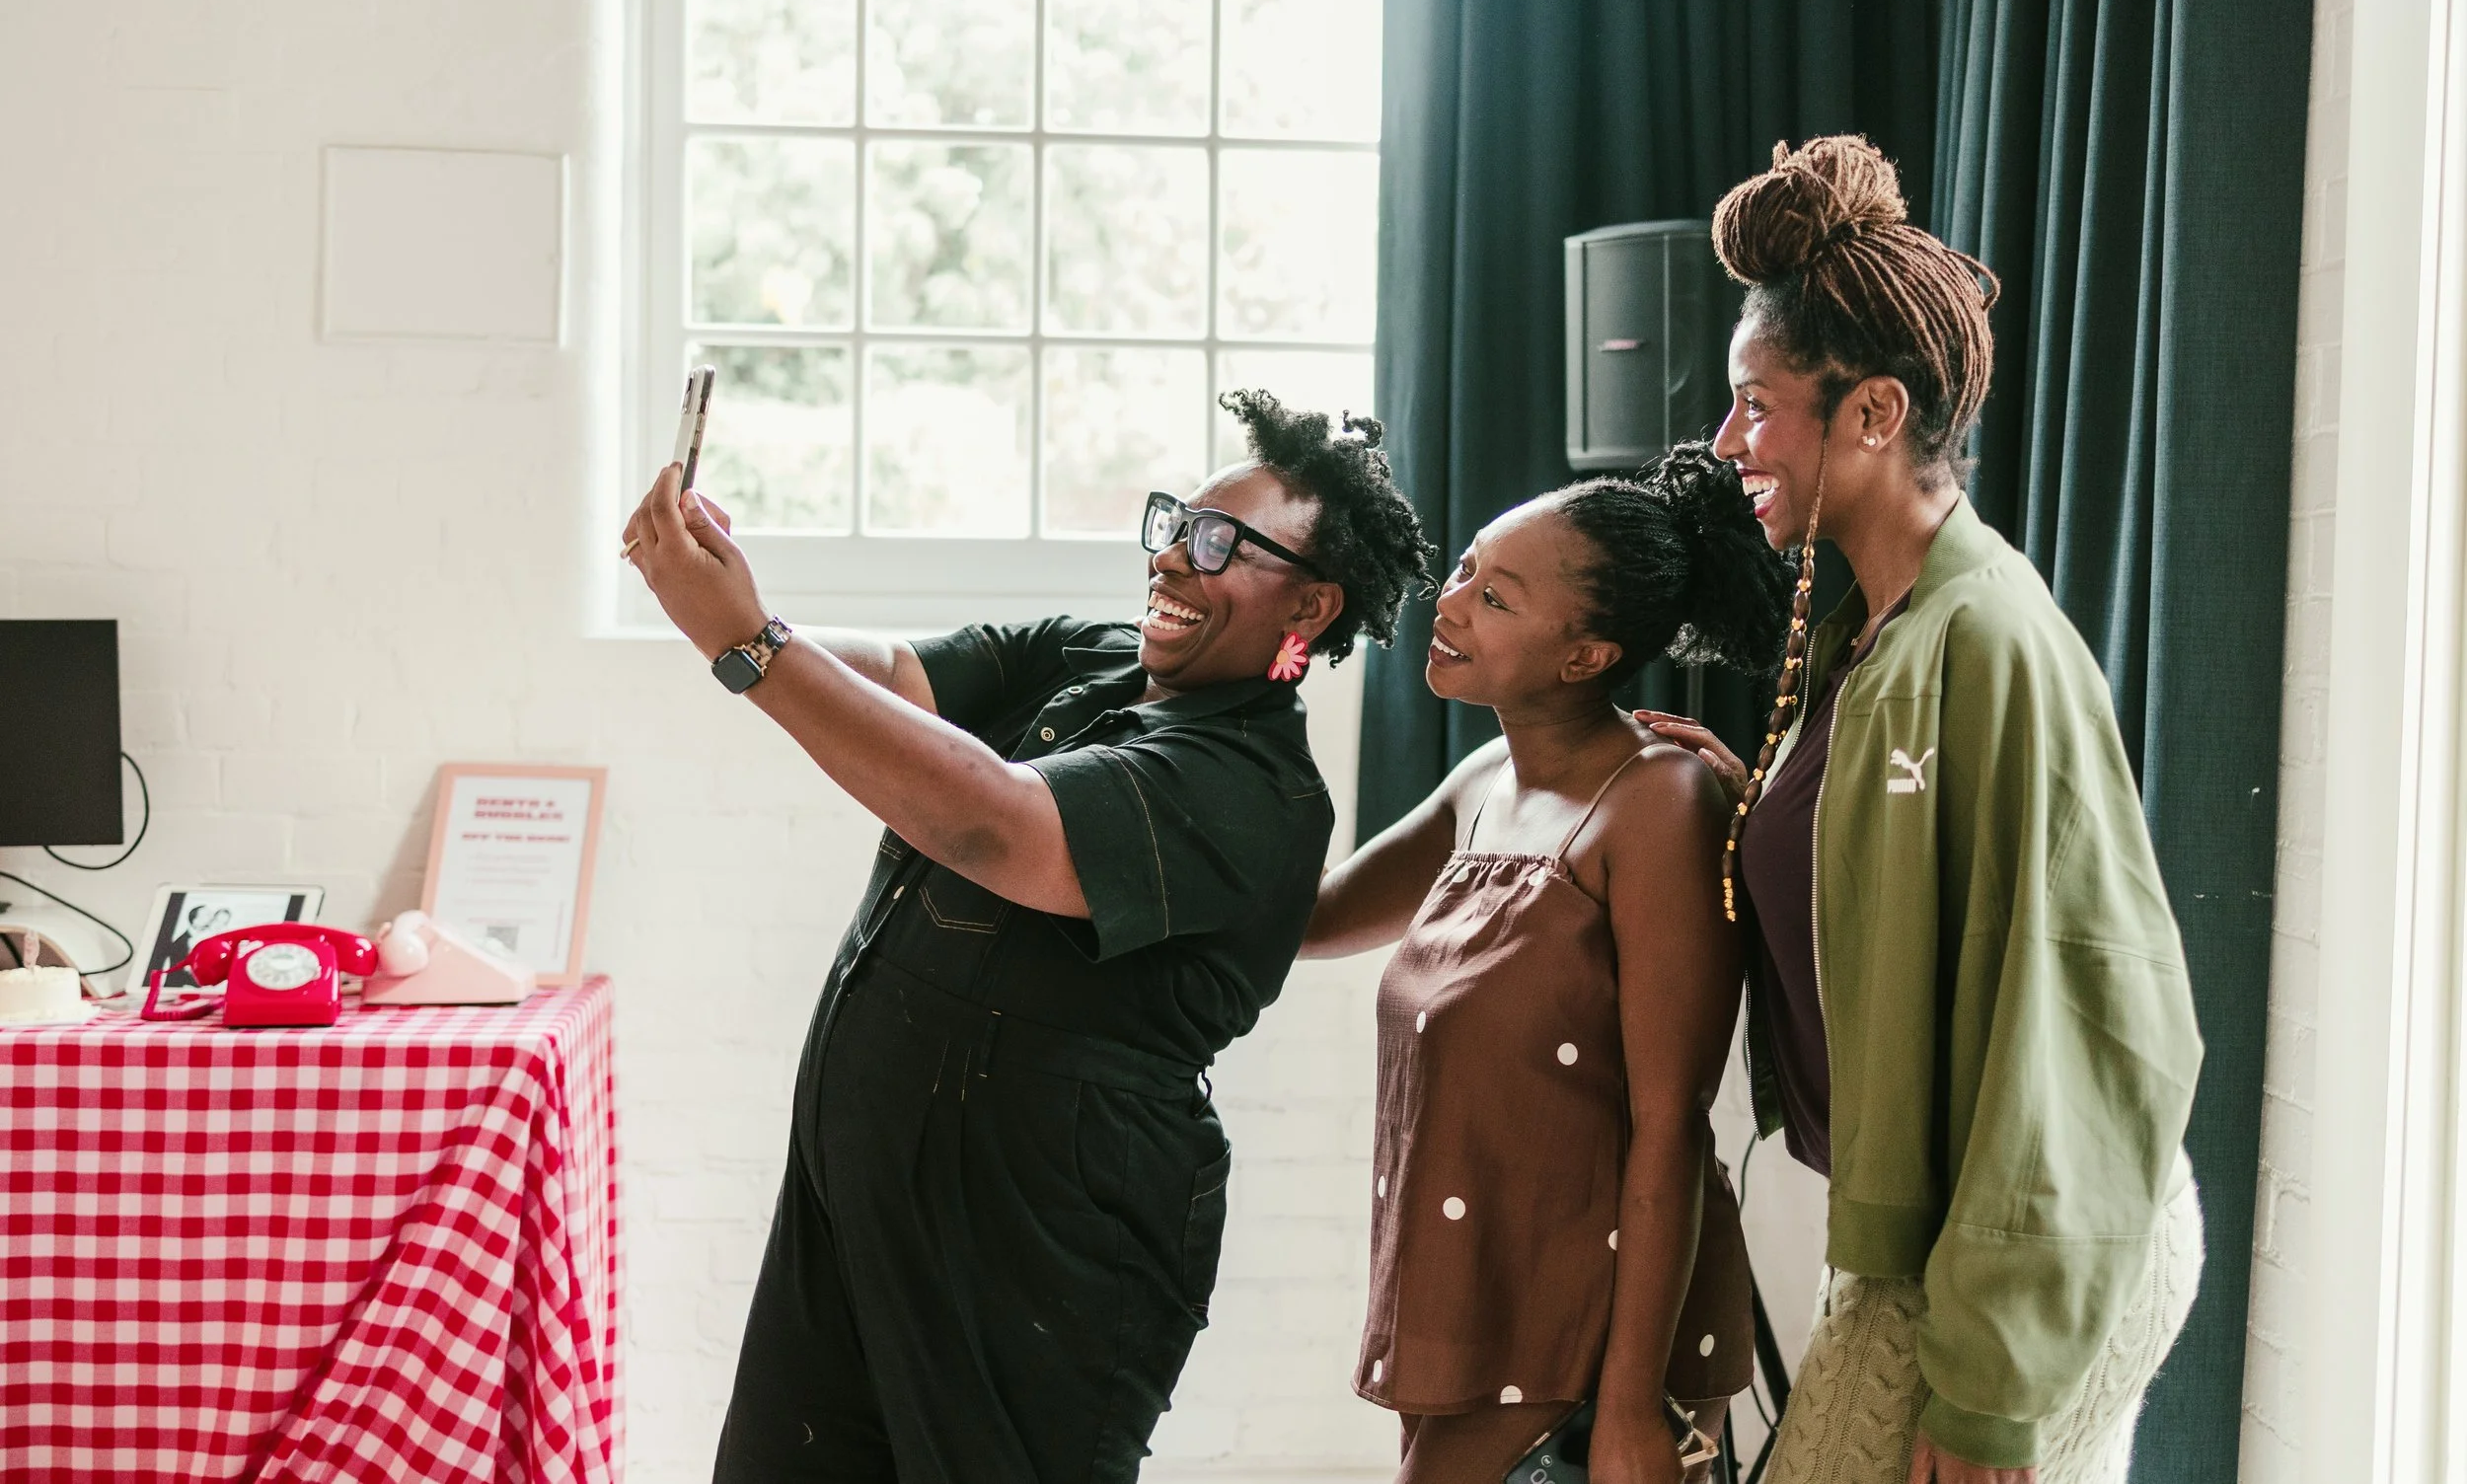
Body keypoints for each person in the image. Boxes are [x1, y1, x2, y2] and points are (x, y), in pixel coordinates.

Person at [622, 390, 1437, 1484]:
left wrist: (747, 643)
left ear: (1312, 604)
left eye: (1216, 542)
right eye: (1171, 524)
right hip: (857, 1204)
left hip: (1036, 1245)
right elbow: (895, 677)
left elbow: (993, 823)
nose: (1172, 560)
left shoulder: (1254, 790)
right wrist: (739, 603)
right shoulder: (1083, 658)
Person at [1643, 136, 2205, 1484]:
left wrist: (1996, 1377)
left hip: (2021, 1266)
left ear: (1875, 413)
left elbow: (2076, 1006)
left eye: (1757, 404)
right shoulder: (1873, 634)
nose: (1729, 443)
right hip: (1933, 1246)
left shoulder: (1988, 638)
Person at [1303, 444, 1794, 1484]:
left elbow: (1672, 1125)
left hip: (1594, 1332)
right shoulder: (1484, 780)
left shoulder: (1658, 802)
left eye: (1499, 595)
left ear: (1585, 655)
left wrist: (1626, 1414)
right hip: (1473, 1303)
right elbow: (1307, 921)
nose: (1455, 598)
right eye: (1470, 566)